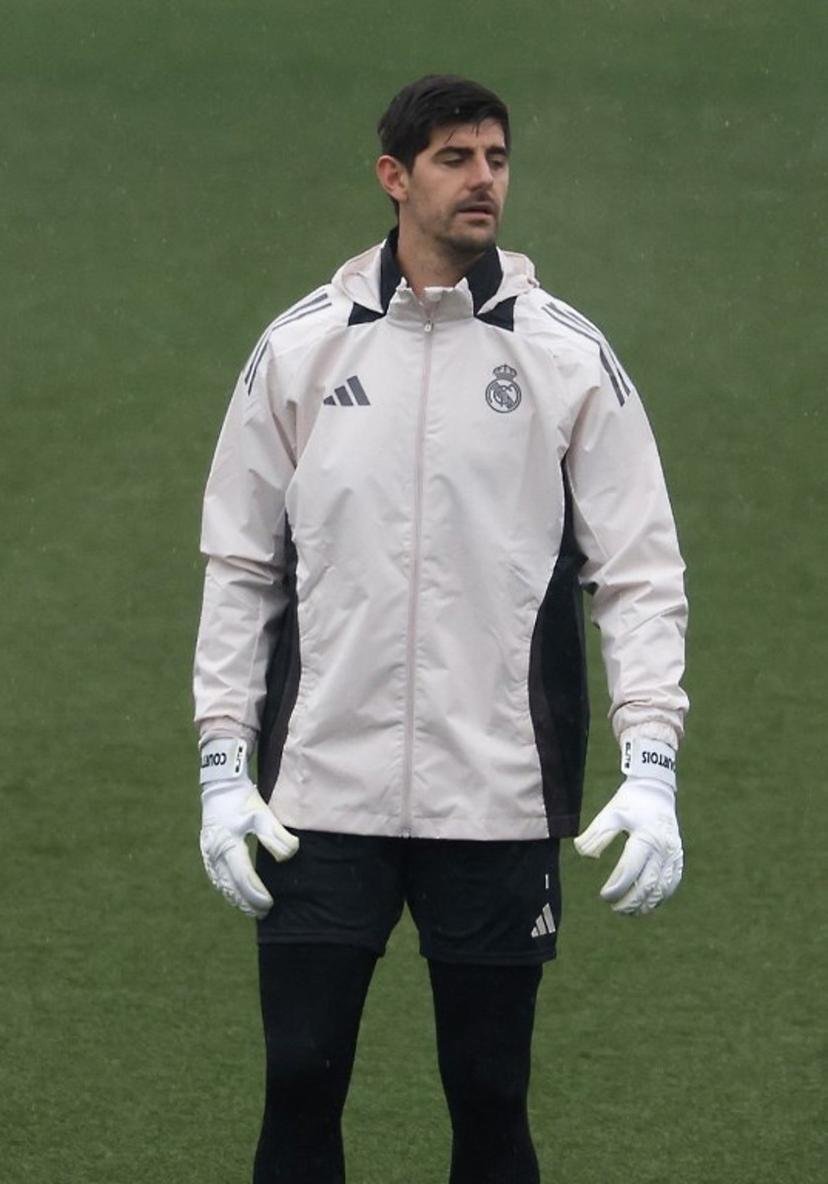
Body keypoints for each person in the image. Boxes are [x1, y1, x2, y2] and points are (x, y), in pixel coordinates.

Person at [193, 75, 688, 1184]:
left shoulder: (564, 355)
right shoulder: (302, 351)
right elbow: (239, 565)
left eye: (497, 159)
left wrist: (652, 764)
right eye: (457, 158)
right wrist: (226, 765)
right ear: (395, 176)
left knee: (491, 1095)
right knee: (299, 1088)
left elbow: (643, 571)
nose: (483, 181)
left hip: (499, 795)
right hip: (320, 793)